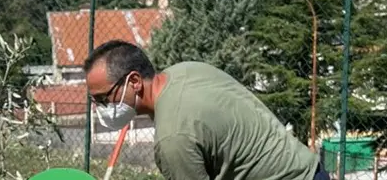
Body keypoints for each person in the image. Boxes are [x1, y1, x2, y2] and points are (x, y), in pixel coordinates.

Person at [83, 40, 329, 180]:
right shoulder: (187, 71)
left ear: (134, 82)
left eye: (104, 98)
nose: (102, 107)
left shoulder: (173, 138)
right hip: (308, 168)